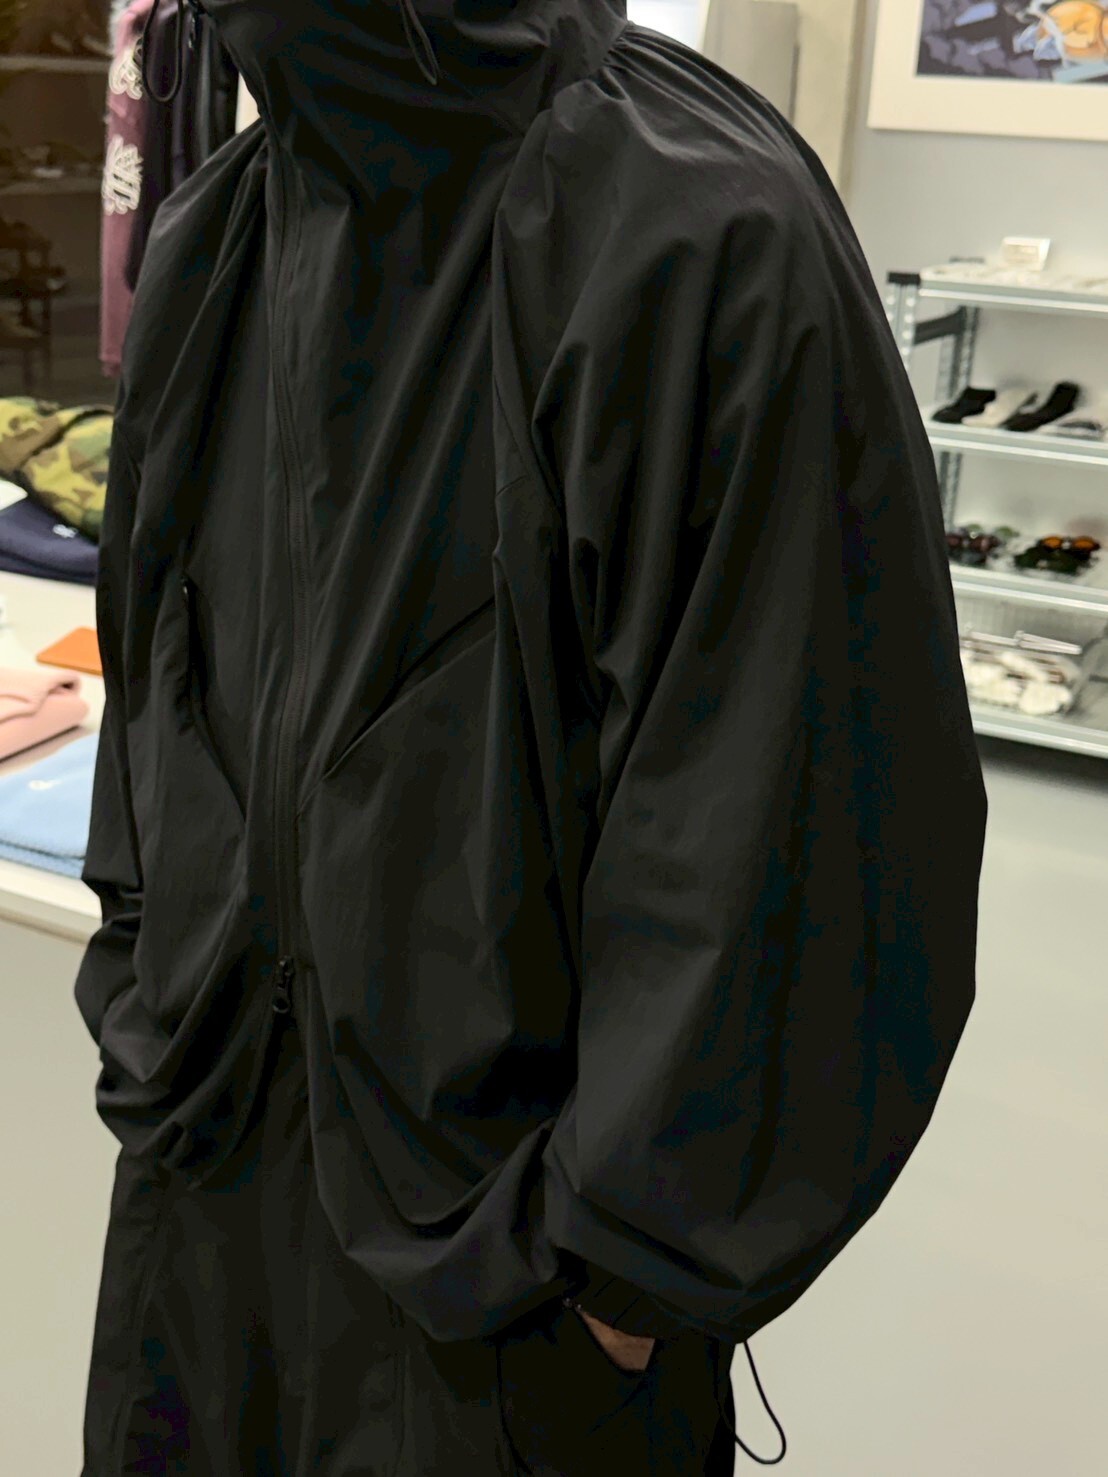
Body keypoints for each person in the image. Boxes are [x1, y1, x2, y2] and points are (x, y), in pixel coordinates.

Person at [74, 2, 988, 1473]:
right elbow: (154, 692)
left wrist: (624, 1270)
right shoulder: (218, 231)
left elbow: (808, 826)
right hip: (203, 1206)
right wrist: (147, 1010)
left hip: (511, 1306)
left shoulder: (697, 230)